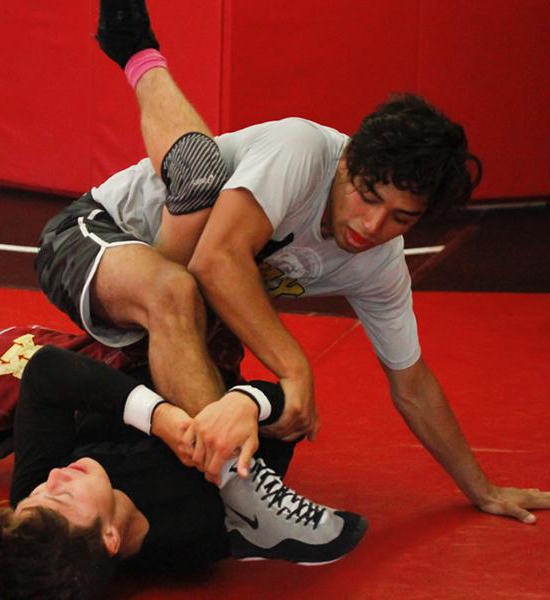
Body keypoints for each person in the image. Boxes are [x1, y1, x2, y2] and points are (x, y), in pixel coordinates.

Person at [35, 0, 550, 521]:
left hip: (182, 303)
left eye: (400, 218)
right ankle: (245, 501)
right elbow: (217, 260)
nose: (372, 227)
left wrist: (482, 489)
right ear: (347, 161)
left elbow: (411, 383)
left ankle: (46, 401)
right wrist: (294, 365)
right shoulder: (303, 151)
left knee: (262, 426)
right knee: (184, 262)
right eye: (367, 196)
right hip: (93, 235)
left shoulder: (379, 264)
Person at [0, 321, 367, 600]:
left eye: (39, 491)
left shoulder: (39, 508)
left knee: (4, 365)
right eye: (62, 497)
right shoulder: (198, 519)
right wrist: (248, 403)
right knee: (175, 290)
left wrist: (159, 417)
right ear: (110, 538)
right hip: (197, 354)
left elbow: (48, 372)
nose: (54, 477)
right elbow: (289, 420)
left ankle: (18, 425)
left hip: (101, 368)